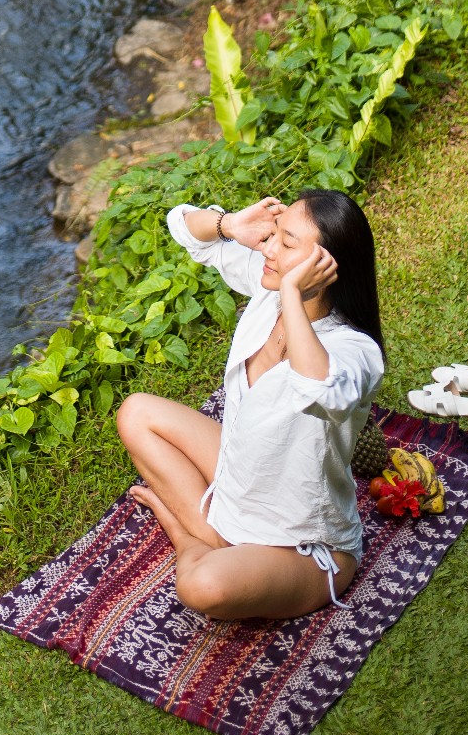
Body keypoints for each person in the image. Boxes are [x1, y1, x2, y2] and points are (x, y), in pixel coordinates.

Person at [116, 190, 385, 620]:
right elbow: (186, 228)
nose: (270, 249)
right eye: (274, 233)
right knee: (136, 413)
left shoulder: (355, 350)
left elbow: (317, 388)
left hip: (302, 545)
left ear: (327, 265)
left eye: (287, 242)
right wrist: (230, 225)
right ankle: (219, 539)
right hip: (239, 479)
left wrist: (295, 296)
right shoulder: (270, 290)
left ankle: (186, 536)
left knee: (203, 587)